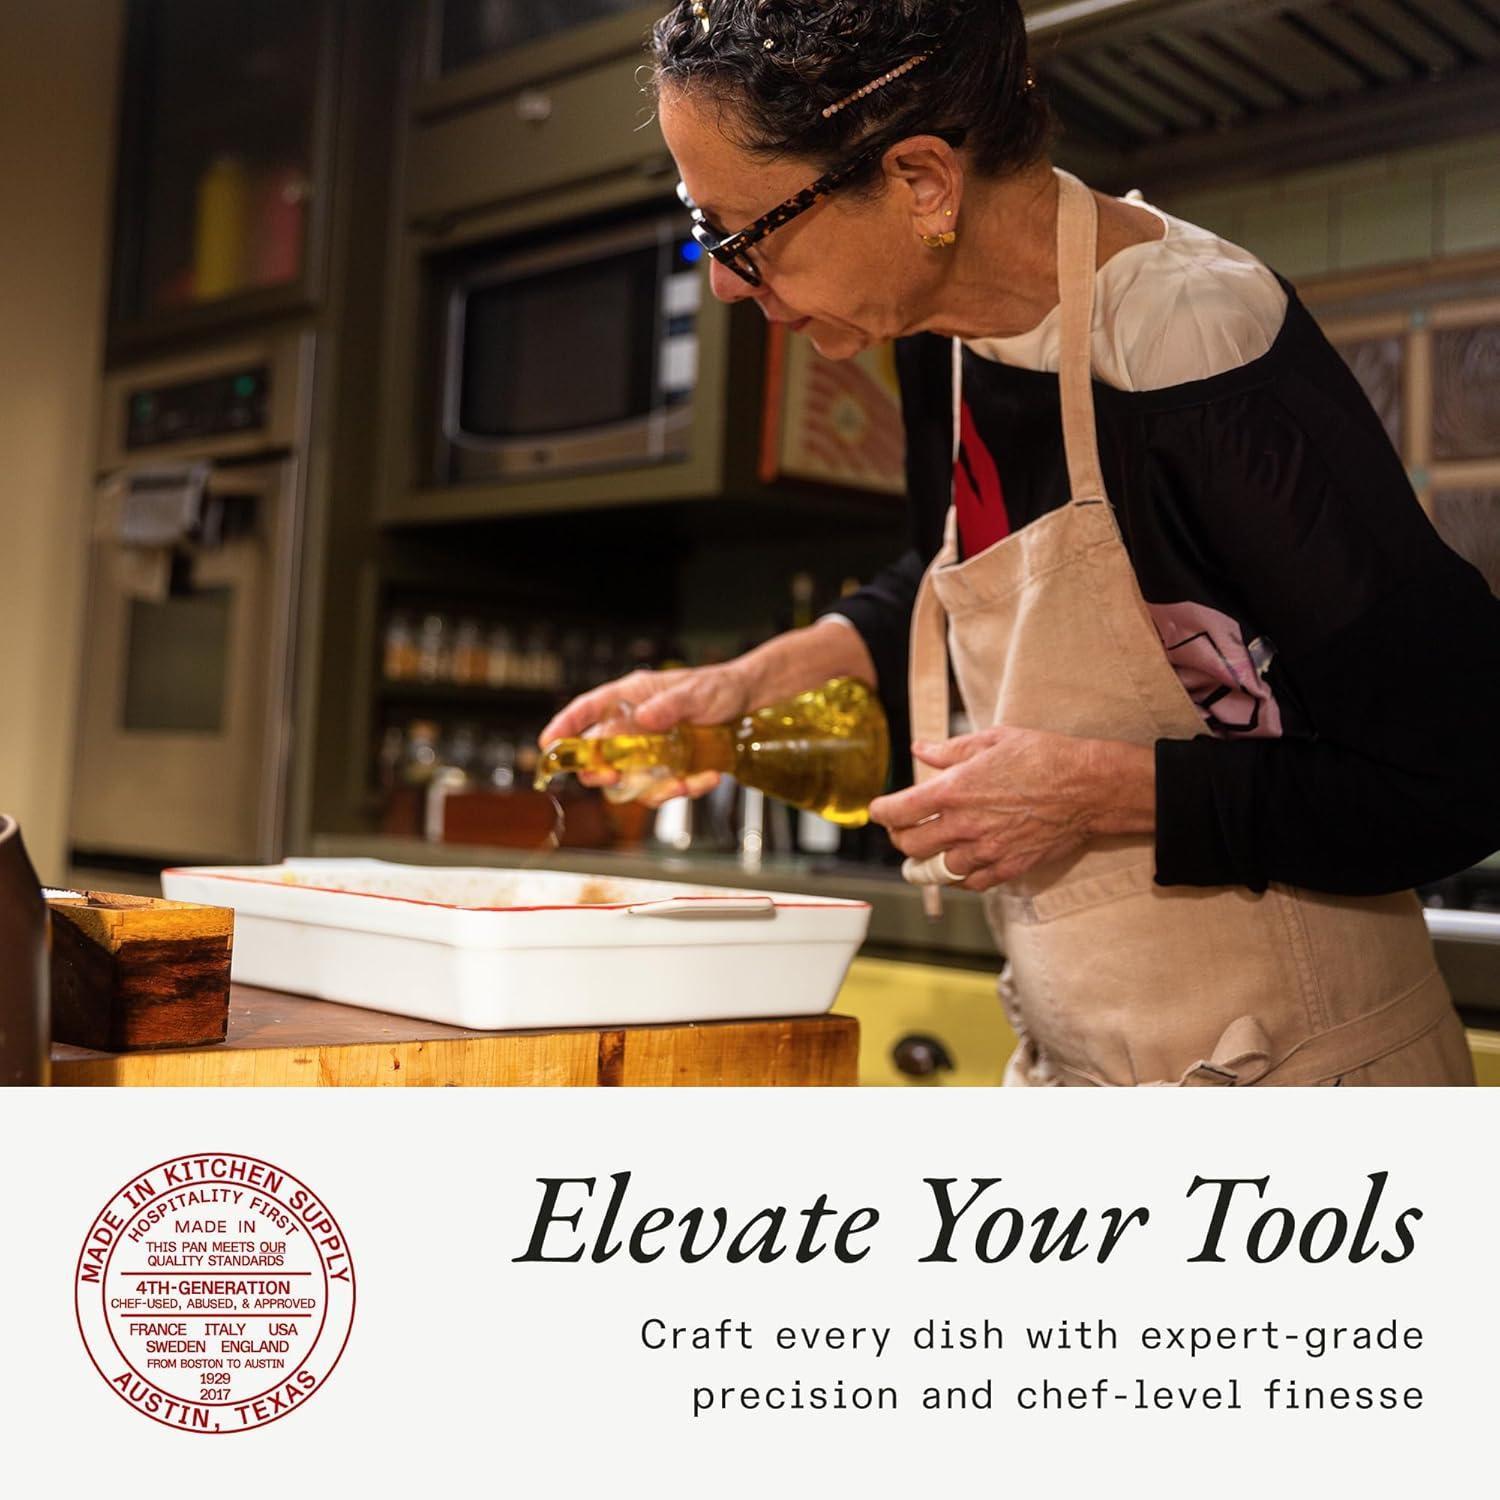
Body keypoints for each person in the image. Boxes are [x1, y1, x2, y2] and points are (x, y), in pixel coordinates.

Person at [541, 0, 1500, 1087]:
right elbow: (953, 572)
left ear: (920, 184)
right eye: (699, 223)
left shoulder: (1194, 346)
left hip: (1306, 1081)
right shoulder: (935, 331)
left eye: (744, 235)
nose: (721, 280)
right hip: (1085, 1065)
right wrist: (750, 681)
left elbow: (1461, 771)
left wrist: (1099, 792)